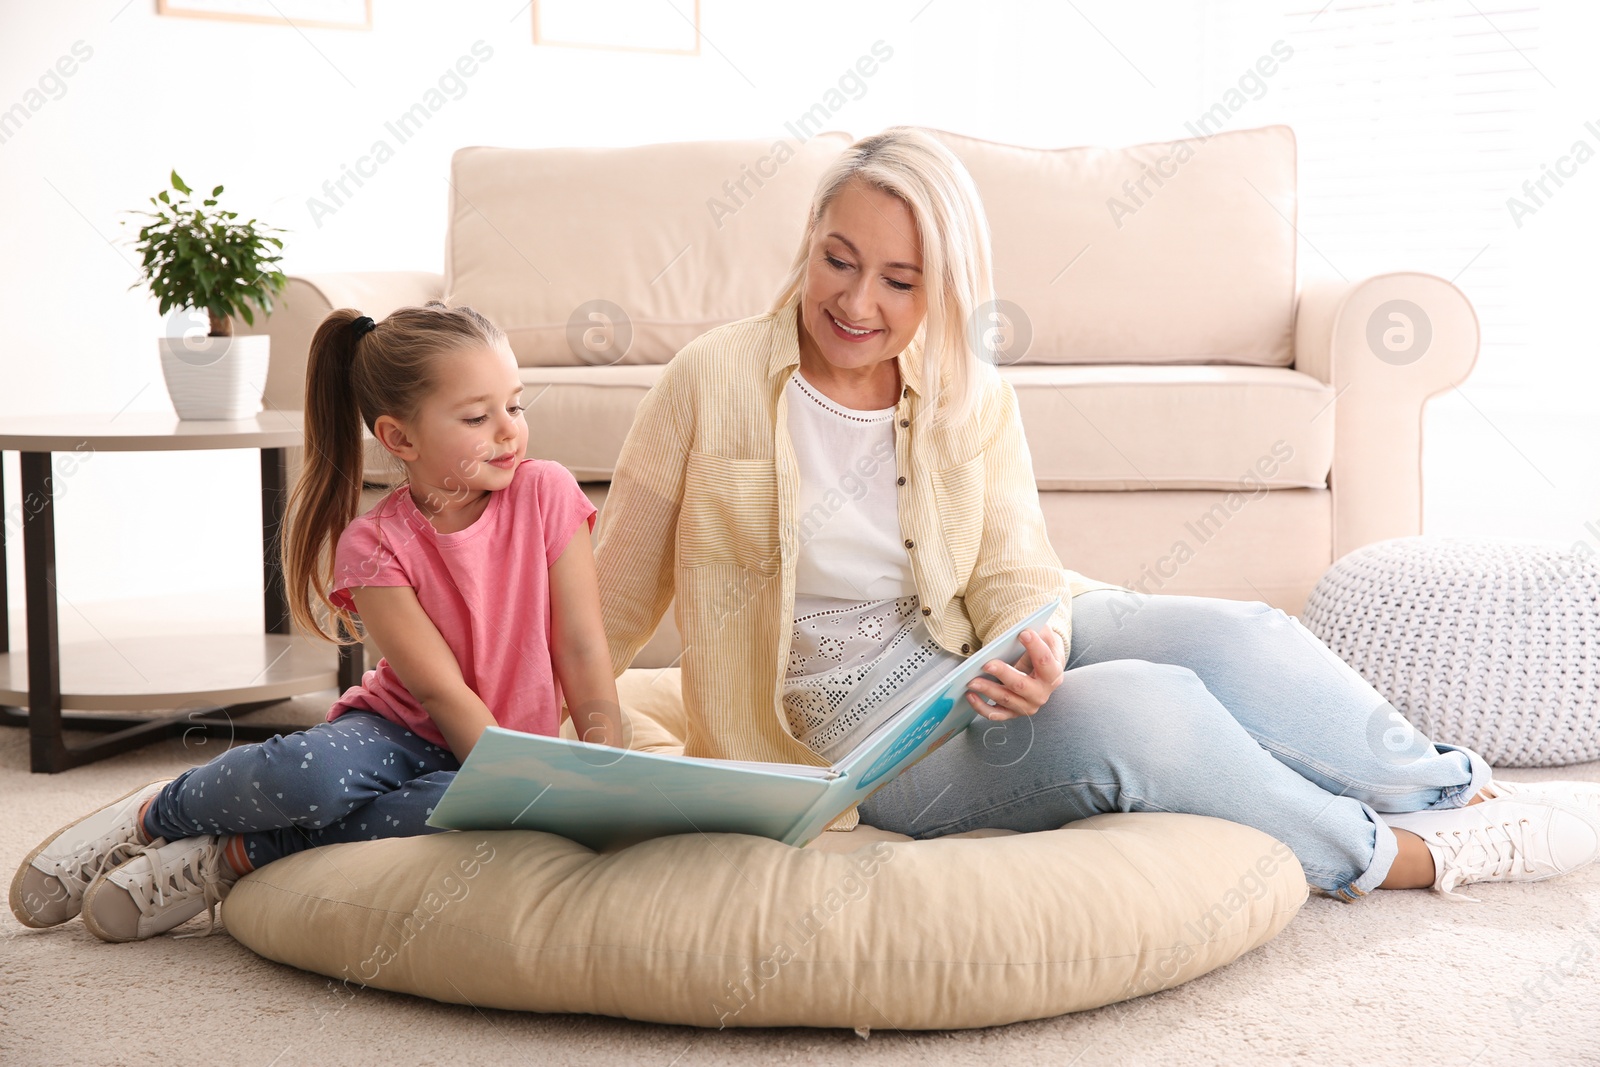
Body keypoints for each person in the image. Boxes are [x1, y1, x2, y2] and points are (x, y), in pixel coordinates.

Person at [593, 126, 1600, 903]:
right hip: (858, 737)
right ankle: (1399, 855)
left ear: (943, 286)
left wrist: (1036, 643)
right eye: (836, 259)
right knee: (1147, 710)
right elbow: (610, 593)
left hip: (968, 650)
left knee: (1238, 632)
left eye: (899, 280)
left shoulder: (962, 386)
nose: (856, 300)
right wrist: (513, 733)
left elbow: (1015, 566)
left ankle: (1455, 791)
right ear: (808, 245)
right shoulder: (709, 381)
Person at [10, 301, 620, 941]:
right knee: (311, 779)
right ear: (399, 438)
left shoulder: (546, 492)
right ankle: (157, 813)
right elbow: (439, 691)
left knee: (478, 813)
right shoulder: (374, 544)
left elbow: (580, 645)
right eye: (476, 416)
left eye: (515, 407)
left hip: (504, 745)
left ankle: (235, 853)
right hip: (400, 729)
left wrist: (605, 767)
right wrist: (508, 780)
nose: (507, 431)